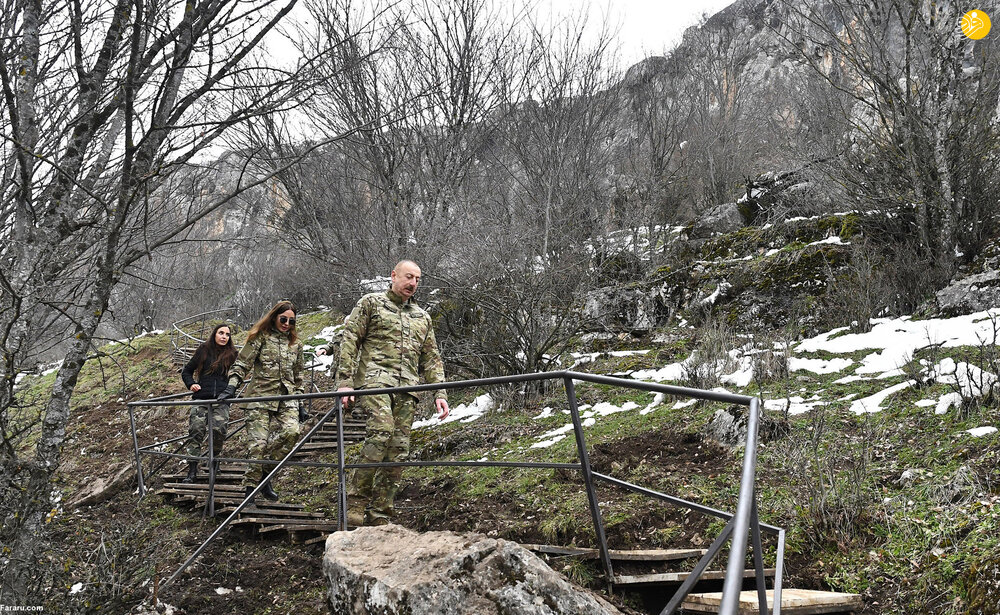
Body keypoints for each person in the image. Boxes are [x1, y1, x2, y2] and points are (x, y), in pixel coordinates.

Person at [317, 260, 450, 526]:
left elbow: (431, 356)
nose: (412, 283)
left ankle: (381, 512)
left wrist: (440, 392)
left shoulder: (421, 317)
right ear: (393, 276)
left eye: (417, 279)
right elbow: (349, 340)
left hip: (408, 388)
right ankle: (354, 502)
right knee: (381, 430)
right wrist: (344, 382)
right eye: (408, 277)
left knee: (399, 451)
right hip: (374, 381)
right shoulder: (371, 303)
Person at [218, 300, 304, 502]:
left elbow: (298, 376)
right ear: (274, 317)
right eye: (283, 319)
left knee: (292, 432)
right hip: (260, 397)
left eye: (291, 321)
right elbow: (242, 364)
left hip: (286, 397)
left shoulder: (296, 344)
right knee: (258, 445)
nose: (286, 324)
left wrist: (300, 401)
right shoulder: (260, 338)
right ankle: (250, 487)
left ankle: (265, 474)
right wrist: (232, 386)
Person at [179, 323, 238, 483]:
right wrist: (191, 384)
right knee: (196, 431)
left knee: (219, 432)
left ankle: (214, 464)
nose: (224, 336)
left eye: (227, 334)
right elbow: (186, 371)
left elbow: (238, 374)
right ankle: (192, 471)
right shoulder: (203, 350)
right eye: (221, 333)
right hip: (201, 398)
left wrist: (230, 390)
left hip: (222, 400)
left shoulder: (232, 354)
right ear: (214, 334)